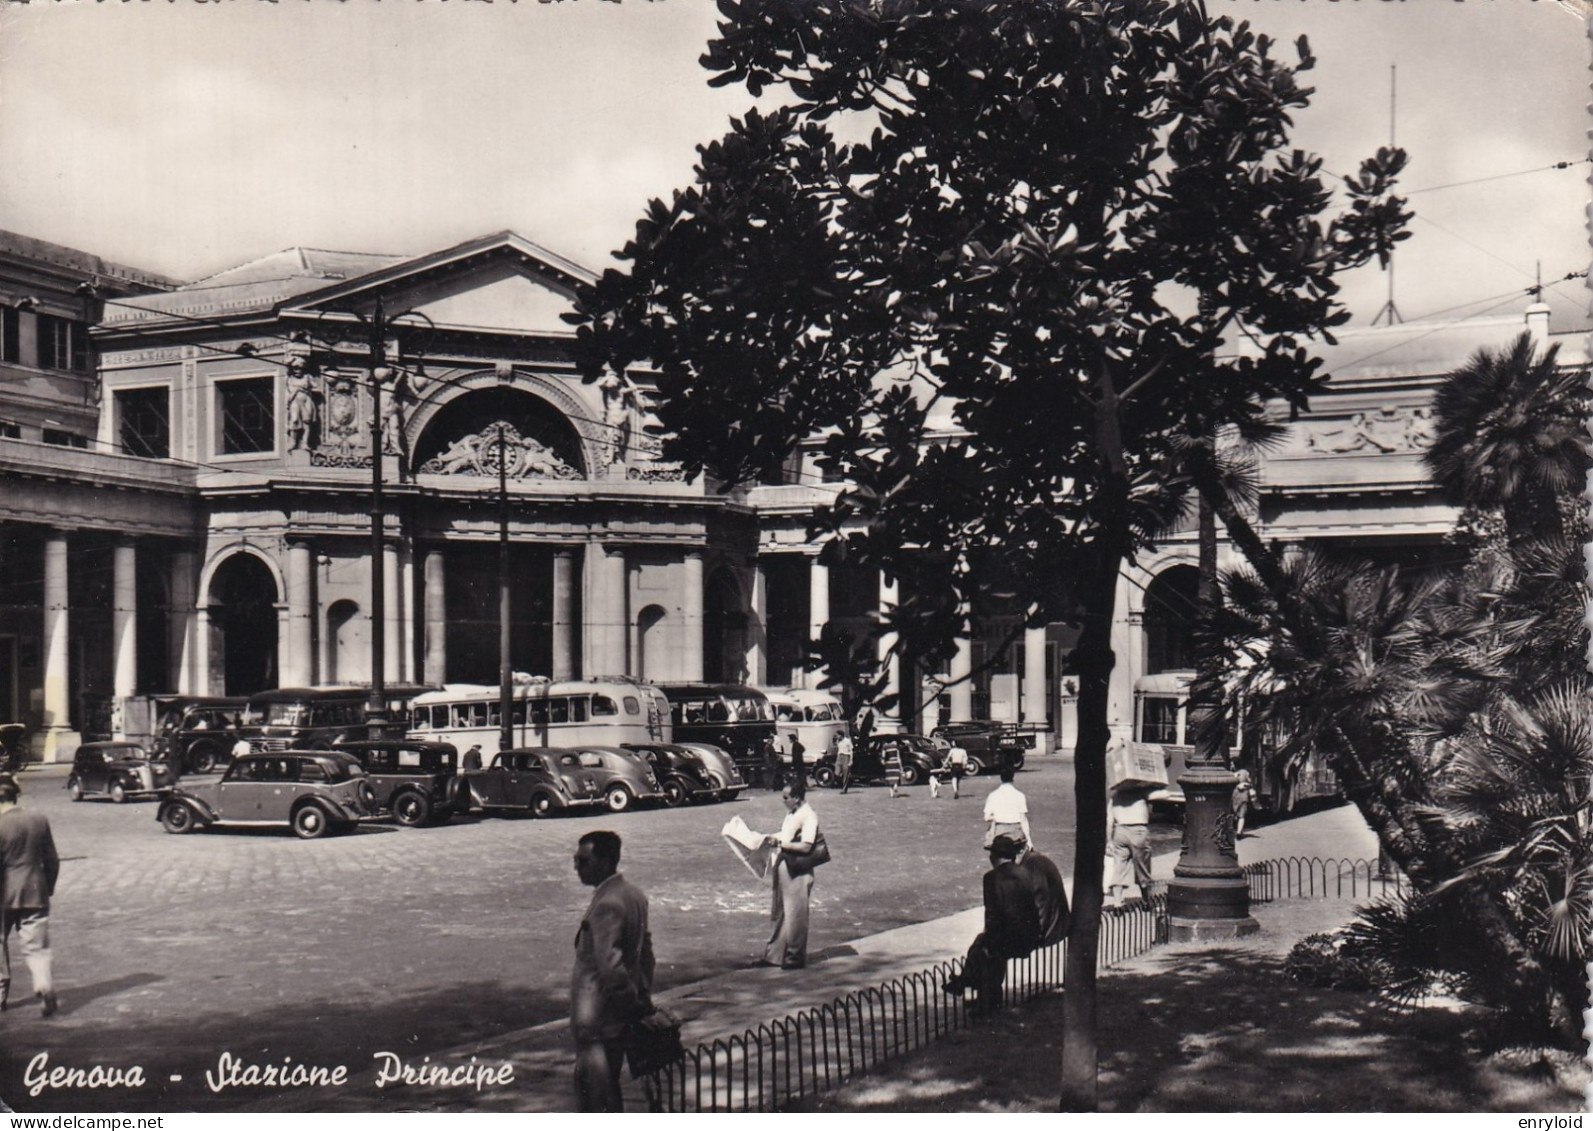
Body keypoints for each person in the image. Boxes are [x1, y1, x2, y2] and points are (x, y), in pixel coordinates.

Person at [570, 830, 655, 1112]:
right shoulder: (633, 895)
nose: (577, 867)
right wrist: (642, 995)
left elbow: (611, 967)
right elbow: (647, 956)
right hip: (614, 1017)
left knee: (594, 1098)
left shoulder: (608, 904)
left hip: (598, 1017)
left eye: (584, 861)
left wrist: (631, 1004)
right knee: (608, 1093)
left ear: (606, 862)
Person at [942, 834, 1039, 1015]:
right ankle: (969, 985)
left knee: (985, 951)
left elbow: (993, 917)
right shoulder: (1024, 873)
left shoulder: (992, 878)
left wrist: (989, 942)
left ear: (994, 857)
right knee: (982, 945)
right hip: (1029, 934)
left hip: (1013, 937)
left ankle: (978, 996)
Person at [0, 775, 60, 1016]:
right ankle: (43, 984)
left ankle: (0, 994)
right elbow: (52, 860)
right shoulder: (39, 820)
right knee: (37, 947)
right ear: (16, 795)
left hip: (2, 894)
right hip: (35, 891)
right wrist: (48, 887)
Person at [762, 785, 819, 969]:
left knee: (796, 914)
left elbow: (806, 846)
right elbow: (786, 835)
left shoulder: (808, 815)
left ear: (796, 797)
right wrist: (771, 838)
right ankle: (774, 955)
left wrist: (781, 843)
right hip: (786, 865)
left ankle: (795, 956)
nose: (783, 801)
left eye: (786, 797)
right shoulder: (793, 813)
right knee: (782, 911)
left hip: (798, 868)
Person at [1107, 781, 1157, 907]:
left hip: (1120, 831)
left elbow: (1109, 820)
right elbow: (1164, 795)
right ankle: (1146, 901)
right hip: (1138, 830)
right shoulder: (1141, 793)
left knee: (1119, 866)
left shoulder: (1115, 796)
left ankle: (1117, 903)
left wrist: (1109, 841)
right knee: (1142, 867)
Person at [982, 764, 1031, 851]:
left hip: (999, 831)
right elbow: (1023, 819)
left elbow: (986, 818)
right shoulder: (1019, 795)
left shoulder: (993, 795)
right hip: (1016, 831)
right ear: (1013, 778)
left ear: (1001, 778)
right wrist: (1029, 840)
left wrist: (997, 816)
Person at [1232, 767, 1256, 838]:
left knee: (1235, 813)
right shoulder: (1246, 772)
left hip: (1235, 796)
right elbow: (1249, 781)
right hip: (1243, 797)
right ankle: (1239, 832)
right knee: (1242, 816)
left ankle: (1235, 829)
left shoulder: (1233, 774)